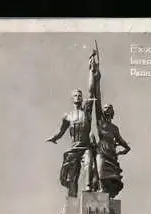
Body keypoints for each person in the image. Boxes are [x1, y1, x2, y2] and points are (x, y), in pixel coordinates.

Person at [46, 52, 97, 198]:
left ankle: (88, 188)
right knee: (72, 176)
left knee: (88, 163)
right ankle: (72, 196)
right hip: (74, 149)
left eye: (80, 95)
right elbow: (61, 131)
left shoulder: (86, 111)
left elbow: (91, 90)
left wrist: (91, 71)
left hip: (85, 146)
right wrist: (54, 138)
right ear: (72, 98)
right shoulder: (67, 116)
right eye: (75, 95)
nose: (78, 97)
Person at [91, 58, 130, 198]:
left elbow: (126, 145)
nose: (106, 109)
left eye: (109, 108)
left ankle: (105, 192)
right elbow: (98, 99)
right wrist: (97, 78)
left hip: (112, 154)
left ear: (112, 112)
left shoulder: (114, 128)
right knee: (100, 170)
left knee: (110, 177)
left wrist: (121, 151)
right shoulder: (100, 121)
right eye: (105, 108)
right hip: (102, 151)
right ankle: (101, 189)